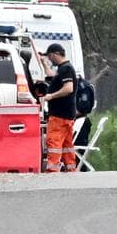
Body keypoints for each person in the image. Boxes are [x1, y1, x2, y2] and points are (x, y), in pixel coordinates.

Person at [40, 43, 78, 173]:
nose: (50, 59)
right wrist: (44, 64)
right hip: (67, 114)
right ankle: (71, 169)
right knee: (67, 144)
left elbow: (68, 88)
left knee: (54, 142)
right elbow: (53, 77)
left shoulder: (65, 69)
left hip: (59, 115)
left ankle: (53, 170)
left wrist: (51, 96)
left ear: (55, 54)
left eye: (50, 56)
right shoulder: (64, 68)